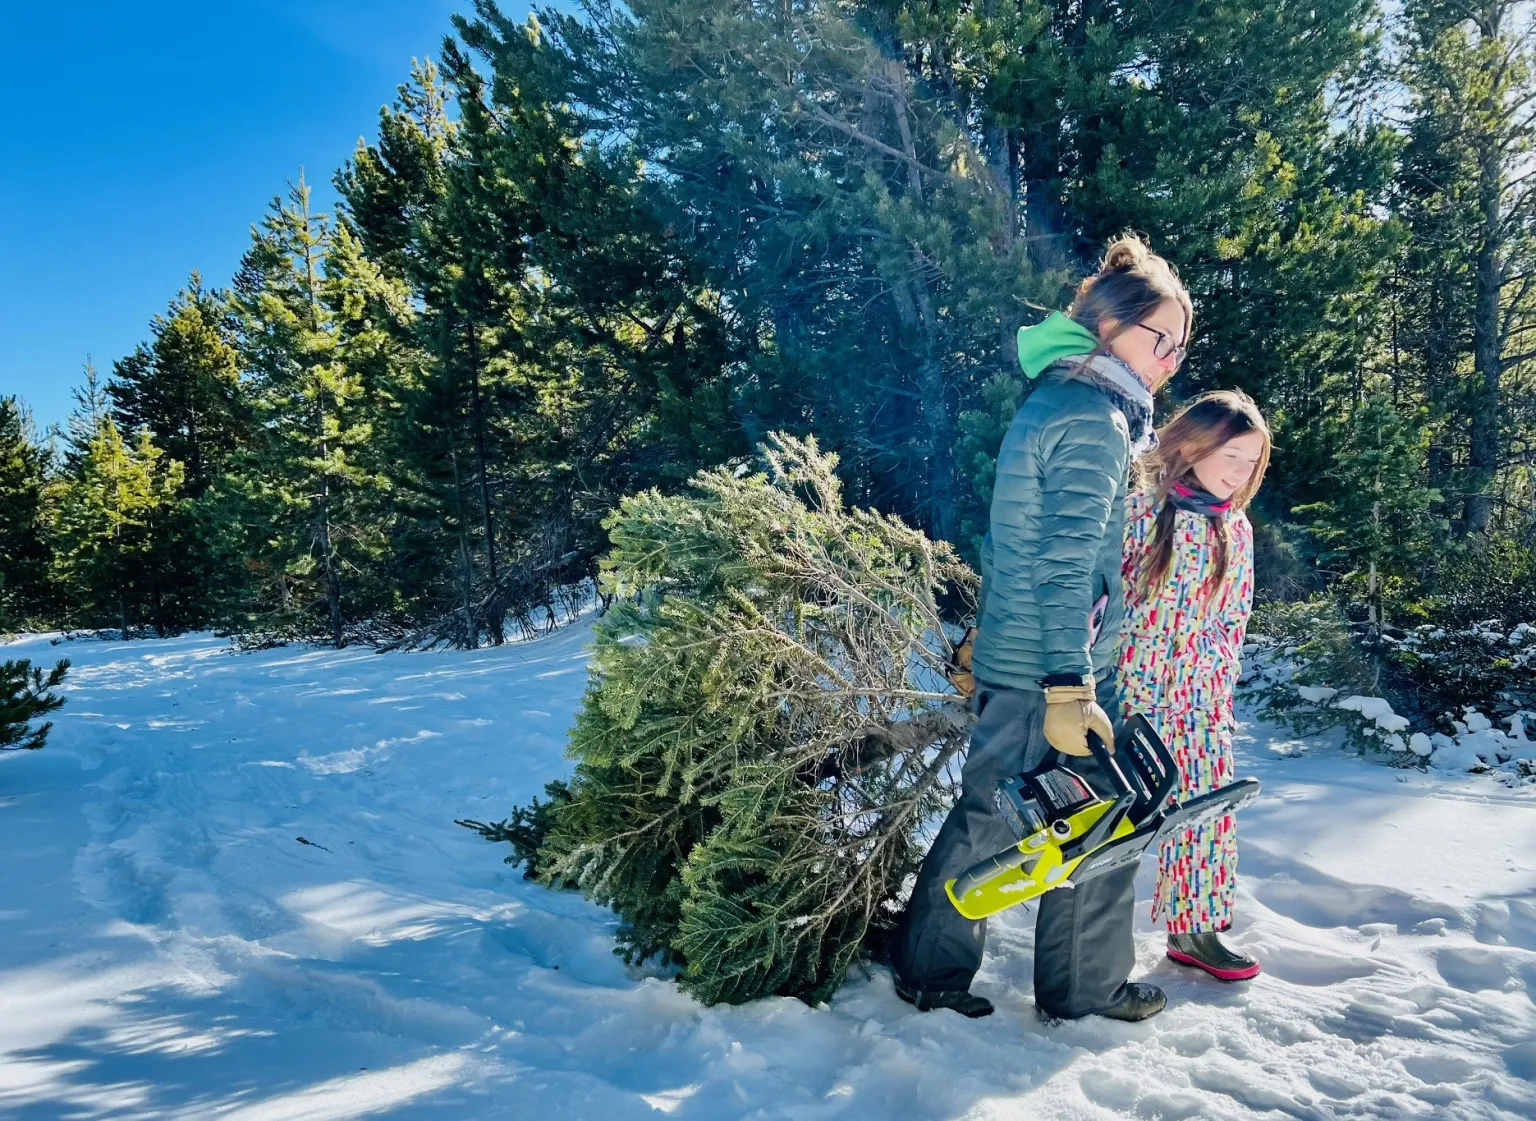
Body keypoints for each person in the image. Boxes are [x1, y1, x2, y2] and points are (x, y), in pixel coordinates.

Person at [892, 235, 1190, 1023]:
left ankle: (1055, 981)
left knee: (1066, 813)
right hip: (1046, 671)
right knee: (1008, 816)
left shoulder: (1078, 400)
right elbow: (1061, 563)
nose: (1172, 359)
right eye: (1162, 339)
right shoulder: (1092, 417)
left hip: (1050, 660)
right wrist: (1069, 682)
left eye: (1181, 346)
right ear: (1111, 327)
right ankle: (952, 973)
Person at [1116, 390, 1270, 981]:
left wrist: (1217, 680)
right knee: (1113, 819)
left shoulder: (1236, 528)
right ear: (1193, 443)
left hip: (1200, 702)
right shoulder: (1138, 511)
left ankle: (1194, 931)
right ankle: (1091, 946)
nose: (1240, 472)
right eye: (1231, 454)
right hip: (1131, 694)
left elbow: (1234, 617)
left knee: (1206, 813)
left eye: (1251, 462)